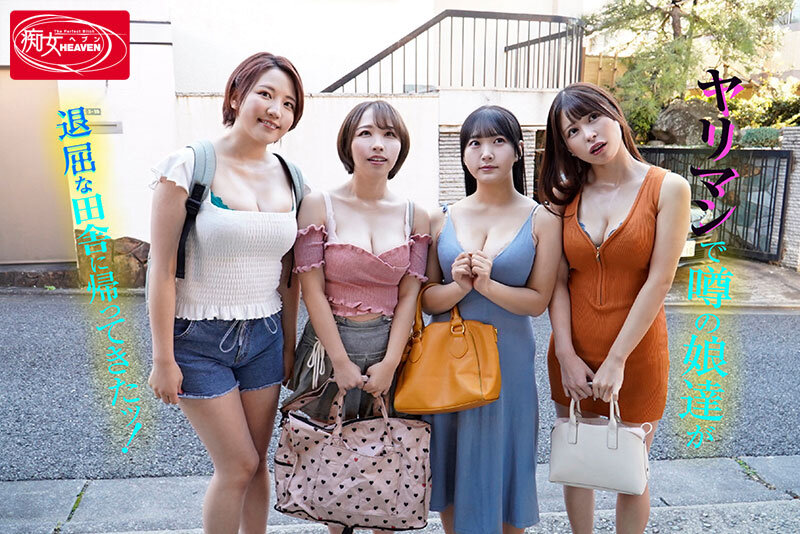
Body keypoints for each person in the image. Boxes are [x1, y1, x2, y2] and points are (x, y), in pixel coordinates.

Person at [147, 52, 305, 534]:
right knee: (236, 465)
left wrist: (289, 345)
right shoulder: (189, 166)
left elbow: (290, 274)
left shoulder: (292, 177)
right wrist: (162, 358)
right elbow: (161, 268)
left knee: (257, 465)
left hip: (265, 336)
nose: (276, 110)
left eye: (288, 103)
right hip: (197, 339)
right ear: (236, 95)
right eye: (265, 94)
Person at [539, 82, 691, 534]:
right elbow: (557, 282)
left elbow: (660, 280)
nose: (588, 134)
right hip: (573, 355)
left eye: (593, 118)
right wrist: (565, 354)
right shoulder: (564, 196)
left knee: (631, 471)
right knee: (577, 462)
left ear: (614, 114)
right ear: (566, 146)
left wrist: (618, 359)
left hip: (637, 355)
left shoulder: (668, 188)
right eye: (572, 131)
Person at [288, 100, 430, 534]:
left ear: (401, 147)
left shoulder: (416, 215)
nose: (378, 144)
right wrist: (341, 362)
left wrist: (390, 362)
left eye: (389, 135)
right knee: (333, 465)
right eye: (366, 133)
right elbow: (311, 290)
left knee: (388, 460)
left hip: (390, 349)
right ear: (348, 143)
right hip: (327, 349)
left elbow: (409, 296)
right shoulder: (319, 205)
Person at [421, 105, 562, 534]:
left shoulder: (542, 218)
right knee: (451, 464)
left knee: (508, 465)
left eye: (498, 141)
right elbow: (427, 298)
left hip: (509, 362)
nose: (486, 153)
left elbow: (538, 301)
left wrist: (486, 285)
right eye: (475, 143)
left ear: (517, 151)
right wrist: (460, 286)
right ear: (463, 154)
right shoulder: (441, 217)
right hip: (449, 361)